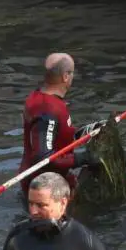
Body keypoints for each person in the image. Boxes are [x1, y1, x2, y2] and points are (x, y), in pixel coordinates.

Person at [20, 52, 100, 196]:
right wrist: (82, 158)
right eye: (72, 73)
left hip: (46, 180)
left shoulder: (37, 97)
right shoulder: (48, 109)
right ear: (65, 76)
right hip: (45, 190)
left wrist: (86, 132)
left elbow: (56, 135)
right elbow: (44, 158)